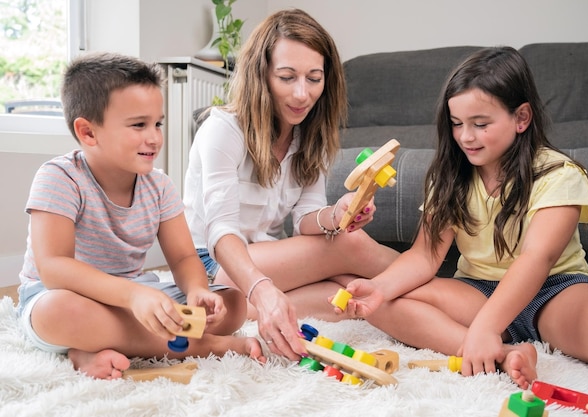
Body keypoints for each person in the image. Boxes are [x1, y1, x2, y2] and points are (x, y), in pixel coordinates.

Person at [334, 46, 588, 389]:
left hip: (556, 291)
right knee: (382, 305)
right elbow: (425, 255)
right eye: (457, 124)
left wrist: (486, 326)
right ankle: (501, 355)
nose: (466, 137)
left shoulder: (559, 174)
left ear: (521, 118)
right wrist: (380, 287)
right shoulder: (448, 176)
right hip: (478, 291)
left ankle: (484, 339)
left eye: (480, 124)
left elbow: (537, 258)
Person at [16, 52, 265, 380]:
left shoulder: (159, 186)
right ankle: (208, 347)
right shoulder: (59, 178)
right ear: (88, 133)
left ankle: (90, 348)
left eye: (157, 123)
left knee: (232, 304)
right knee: (59, 313)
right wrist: (132, 296)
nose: (154, 137)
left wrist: (196, 291)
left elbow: (184, 256)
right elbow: (54, 269)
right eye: (139, 125)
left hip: (134, 292)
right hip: (61, 295)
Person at [184, 9, 399, 361]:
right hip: (213, 264)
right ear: (262, 75)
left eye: (314, 78)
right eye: (287, 77)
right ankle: (434, 282)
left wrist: (336, 213)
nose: (302, 94)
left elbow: (304, 219)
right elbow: (220, 231)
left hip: (262, 260)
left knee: (351, 293)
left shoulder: (307, 136)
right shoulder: (223, 129)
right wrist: (264, 291)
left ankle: (455, 312)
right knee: (349, 246)